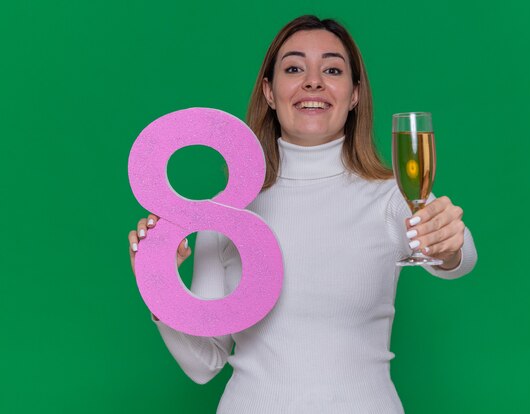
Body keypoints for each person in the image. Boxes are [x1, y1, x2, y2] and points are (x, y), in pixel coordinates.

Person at [128, 15, 477, 413]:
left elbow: (460, 256)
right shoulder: (225, 210)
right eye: (294, 68)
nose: (313, 81)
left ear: (355, 94)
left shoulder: (392, 195)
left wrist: (449, 244)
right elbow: (204, 363)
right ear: (270, 93)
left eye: (332, 69)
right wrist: (159, 286)